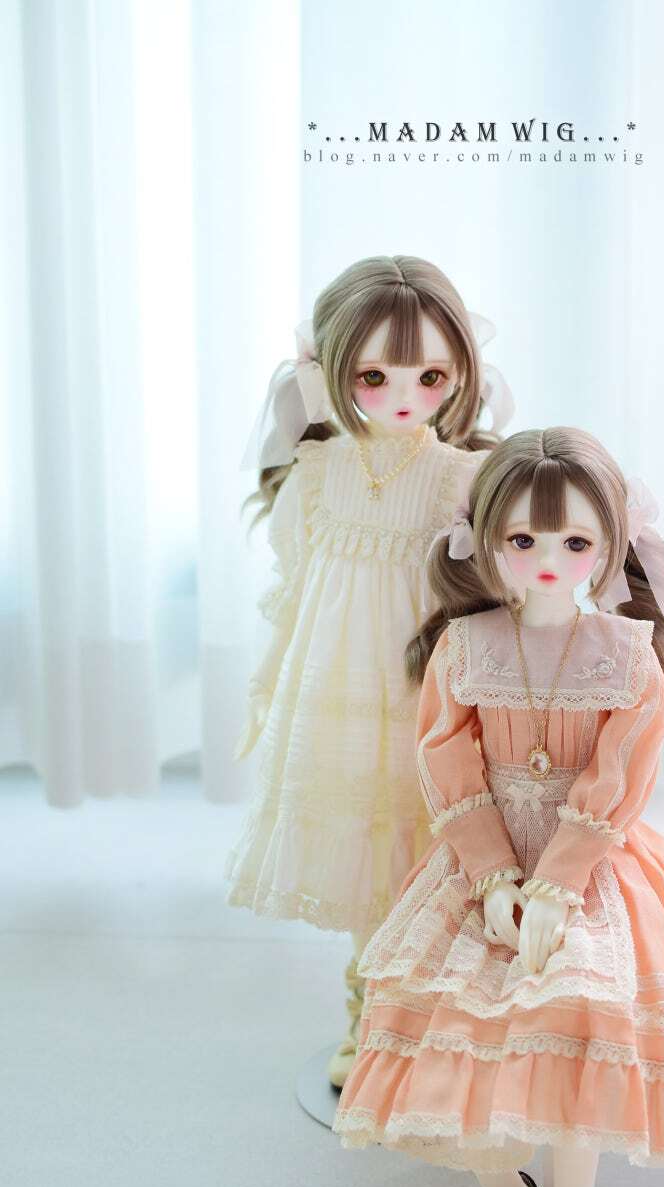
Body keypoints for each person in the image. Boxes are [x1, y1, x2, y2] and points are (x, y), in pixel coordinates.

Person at [333, 427, 664, 1187]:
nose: (548, 559)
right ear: (485, 541)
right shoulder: (464, 646)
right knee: (445, 1019)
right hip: (478, 864)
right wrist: (492, 877)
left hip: (592, 868)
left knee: (575, 1013)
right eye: (522, 539)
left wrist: (557, 887)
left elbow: (619, 777)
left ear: (610, 546)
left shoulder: (626, 655)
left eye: (575, 540)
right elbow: (447, 761)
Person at [226, 254, 513, 1087]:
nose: (403, 395)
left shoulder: (461, 478)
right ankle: (369, 1015)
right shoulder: (320, 474)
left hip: (424, 691)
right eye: (374, 375)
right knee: (365, 853)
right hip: (339, 691)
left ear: (459, 375)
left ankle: (424, 1013)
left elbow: (486, 596)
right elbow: (296, 594)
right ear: (332, 372)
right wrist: (271, 685)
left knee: (430, 850)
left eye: (430, 376)